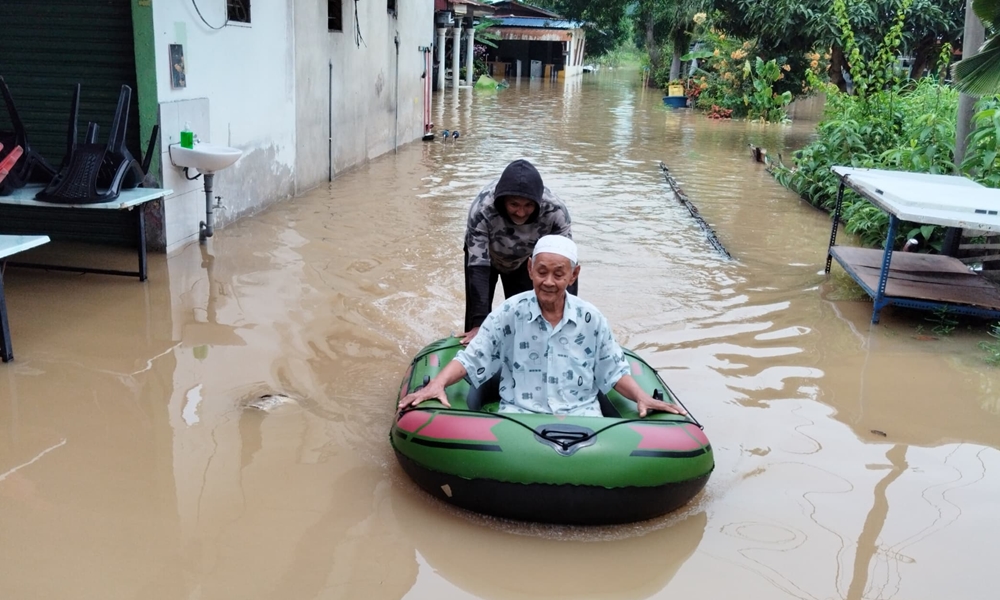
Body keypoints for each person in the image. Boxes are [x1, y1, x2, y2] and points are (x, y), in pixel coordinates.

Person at [400, 235, 686, 418]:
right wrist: (435, 384)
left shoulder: (592, 319)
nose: (549, 282)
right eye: (542, 272)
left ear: (574, 275)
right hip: (519, 416)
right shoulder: (510, 312)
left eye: (559, 274)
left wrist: (643, 397)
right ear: (529, 270)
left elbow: (612, 370)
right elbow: (474, 356)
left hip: (583, 417)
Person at [461, 159, 576, 345]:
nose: (521, 213)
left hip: (524, 260)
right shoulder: (482, 209)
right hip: (485, 259)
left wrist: (569, 319)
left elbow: (565, 267)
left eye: (528, 206)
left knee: (526, 316)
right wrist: (479, 323)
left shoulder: (555, 212)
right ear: (503, 201)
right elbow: (478, 265)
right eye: (514, 204)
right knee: (477, 324)